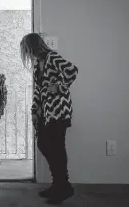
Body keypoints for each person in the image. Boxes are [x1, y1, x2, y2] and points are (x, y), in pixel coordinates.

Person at [20, 33, 78, 205]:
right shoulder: (38, 64)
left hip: (60, 110)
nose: (25, 53)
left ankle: (62, 186)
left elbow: (72, 71)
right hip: (46, 113)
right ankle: (60, 184)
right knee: (44, 144)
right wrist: (34, 111)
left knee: (57, 147)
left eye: (26, 49)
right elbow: (38, 91)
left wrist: (58, 86)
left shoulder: (52, 57)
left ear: (32, 46)